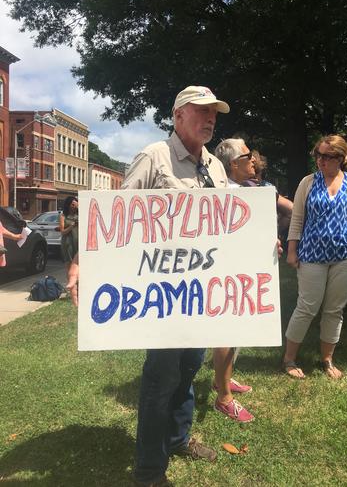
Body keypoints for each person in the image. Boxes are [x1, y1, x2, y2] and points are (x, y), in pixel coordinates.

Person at [69, 85, 230, 487]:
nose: (210, 118)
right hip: (160, 295)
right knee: (161, 377)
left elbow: (231, 223)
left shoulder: (215, 166)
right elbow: (114, 219)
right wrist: (81, 263)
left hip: (200, 294)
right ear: (177, 115)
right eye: (201, 111)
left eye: (214, 113)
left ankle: (176, 439)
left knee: (190, 366)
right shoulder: (154, 158)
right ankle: (148, 470)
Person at [283, 135, 347, 380]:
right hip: (312, 255)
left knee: (334, 309)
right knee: (307, 306)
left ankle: (327, 359)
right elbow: (297, 219)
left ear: (341, 158)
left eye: (327, 156)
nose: (321, 160)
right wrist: (292, 250)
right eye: (318, 155)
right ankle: (288, 359)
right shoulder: (307, 182)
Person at [212, 138, 257, 423]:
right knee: (224, 331)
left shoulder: (247, 190)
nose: (254, 159)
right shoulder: (223, 191)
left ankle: (223, 380)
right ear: (233, 163)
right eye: (248, 155)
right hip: (222, 269)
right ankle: (223, 396)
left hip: (240, 266)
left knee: (233, 330)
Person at [59, 196, 78, 278]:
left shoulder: (79, 215)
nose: (75, 206)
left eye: (76, 204)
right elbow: (62, 232)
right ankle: (71, 287)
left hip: (78, 242)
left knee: (79, 264)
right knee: (70, 265)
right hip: (68, 243)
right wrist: (71, 226)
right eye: (73, 204)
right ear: (68, 205)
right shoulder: (63, 216)